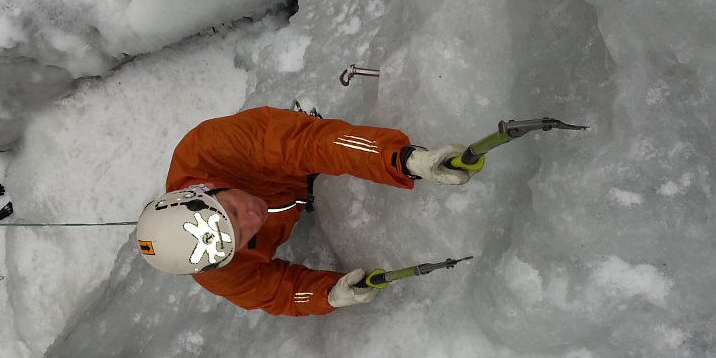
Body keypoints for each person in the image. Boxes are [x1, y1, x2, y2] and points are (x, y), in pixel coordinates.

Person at [136, 106, 472, 316]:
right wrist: (328, 295)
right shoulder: (219, 270)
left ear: (205, 189)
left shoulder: (213, 147)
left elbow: (313, 145)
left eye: (233, 211)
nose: (253, 219)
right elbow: (277, 292)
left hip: (296, 162)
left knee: (307, 148)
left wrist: (403, 160)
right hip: (295, 200)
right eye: (240, 237)